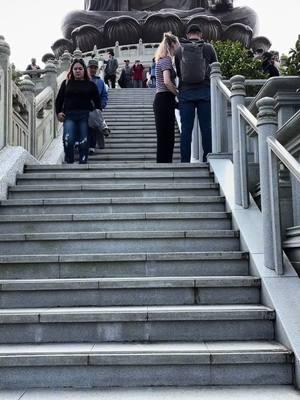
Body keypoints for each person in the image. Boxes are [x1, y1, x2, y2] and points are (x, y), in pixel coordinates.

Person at [175, 24, 217, 163]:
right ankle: (208, 158)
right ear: (201, 34)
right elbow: (216, 68)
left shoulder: (179, 49)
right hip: (205, 92)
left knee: (186, 129)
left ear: (187, 35)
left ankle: (185, 161)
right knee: (206, 127)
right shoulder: (208, 47)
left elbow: (179, 73)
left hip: (186, 93)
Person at [55, 58, 101, 164]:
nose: (78, 71)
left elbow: (97, 102)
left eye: (80, 68)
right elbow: (59, 100)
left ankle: (83, 162)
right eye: (75, 69)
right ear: (72, 71)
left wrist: (96, 115)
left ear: (84, 70)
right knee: (68, 140)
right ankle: (70, 160)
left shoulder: (91, 85)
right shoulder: (66, 83)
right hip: (69, 116)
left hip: (85, 116)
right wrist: (58, 112)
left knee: (83, 141)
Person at [153, 32, 180, 163]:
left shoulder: (161, 60)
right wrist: (178, 94)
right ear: (172, 45)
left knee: (164, 135)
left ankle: (163, 163)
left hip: (161, 99)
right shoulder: (166, 60)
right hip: (164, 98)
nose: (178, 48)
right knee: (167, 135)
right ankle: (165, 163)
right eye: (177, 45)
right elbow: (167, 81)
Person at [87, 58, 110, 153]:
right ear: (87, 68)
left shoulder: (100, 82)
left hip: (95, 107)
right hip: (83, 106)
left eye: (94, 68)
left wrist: (102, 104)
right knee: (86, 125)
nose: (92, 69)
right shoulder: (83, 79)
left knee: (92, 125)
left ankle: (91, 146)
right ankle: (103, 126)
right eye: (91, 67)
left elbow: (104, 94)